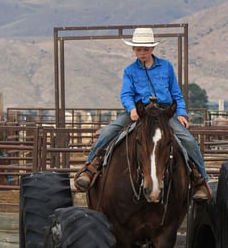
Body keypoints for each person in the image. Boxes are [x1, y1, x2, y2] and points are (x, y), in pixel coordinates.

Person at [74, 27, 211, 201]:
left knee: (189, 140)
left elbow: (176, 93)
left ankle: (200, 180)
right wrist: (131, 109)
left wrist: (182, 113)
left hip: (163, 112)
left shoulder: (166, 67)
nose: (142, 52)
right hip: (139, 111)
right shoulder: (130, 71)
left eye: (145, 49)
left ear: (152, 49)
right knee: (109, 131)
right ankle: (90, 168)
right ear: (134, 50)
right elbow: (126, 94)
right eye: (139, 49)